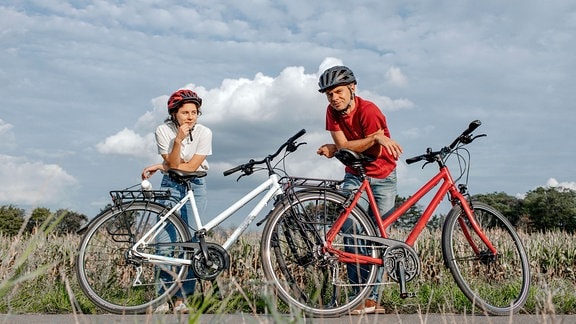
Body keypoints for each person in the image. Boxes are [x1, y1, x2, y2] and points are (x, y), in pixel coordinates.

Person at [316, 65, 403, 315]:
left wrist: (341, 148)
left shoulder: (369, 110)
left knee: (379, 236)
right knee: (351, 231)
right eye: (329, 94)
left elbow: (374, 152)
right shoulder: (331, 112)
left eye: (339, 92)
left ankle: (372, 300)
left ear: (352, 88)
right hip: (355, 175)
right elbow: (343, 144)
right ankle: (358, 295)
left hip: (383, 176)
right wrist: (363, 141)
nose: (334, 98)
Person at [141, 88, 212, 314]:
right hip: (171, 184)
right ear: (174, 114)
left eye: (194, 112)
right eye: (185, 112)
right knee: (165, 240)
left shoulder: (204, 132)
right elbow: (174, 164)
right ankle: (162, 297)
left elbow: (190, 167)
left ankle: (182, 299)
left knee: (191, 242)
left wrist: (164, 165)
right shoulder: (163, 131)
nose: (191, 117)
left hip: (197, 185)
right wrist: (178, 140)